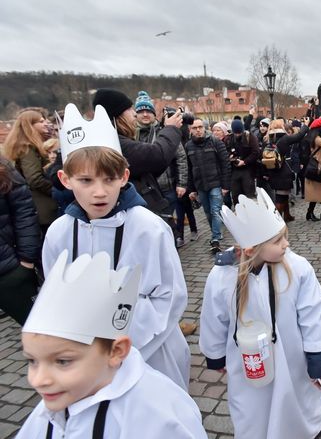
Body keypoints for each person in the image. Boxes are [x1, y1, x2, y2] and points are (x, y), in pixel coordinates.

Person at [42, 103, 191, 391]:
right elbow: (55, 294)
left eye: (109, 179)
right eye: (85, 180)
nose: (99, 191)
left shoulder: (149, 228)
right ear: (65, 179)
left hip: (150, 352)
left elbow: (170, 298)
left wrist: (122, 347)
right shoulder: (58, 234)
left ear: (123, 176)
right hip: (87, 358)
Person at [17, 251, 207, 438]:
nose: (38, 380)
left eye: (63, 361)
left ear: (116, 351)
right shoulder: (55, 402)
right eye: (32, 361)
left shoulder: (158, 413)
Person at [200, 188, 321, 439]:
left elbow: (314, 314)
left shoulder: (297, 268)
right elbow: (214, 318)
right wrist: (216, 355)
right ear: (251, 249)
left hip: (292, 363)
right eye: (277, 241)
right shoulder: (222, 278)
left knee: (297, 408)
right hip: (248, 367)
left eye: (284, 237)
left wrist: (319, 359)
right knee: (254, 412)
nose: (287, 244)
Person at [92, 89, 183, 222]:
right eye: (129, 109)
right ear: (117, 114)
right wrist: (170, 129)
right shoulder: (114, 144)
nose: (135, 114)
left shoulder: (114, 140)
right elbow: (158, 156)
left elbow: (150, 168)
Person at [134, 91, 190, 248]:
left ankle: (168, 250)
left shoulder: (164, 130)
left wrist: (182, 183)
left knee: (164, 222)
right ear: (136, 114)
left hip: (166, 187)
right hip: (142, 188)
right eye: (141, 111)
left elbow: (181, 157)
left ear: (153, 113)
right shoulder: (130, 134)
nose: (145, 114)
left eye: (148, 111)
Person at [0, 155, 41, 326]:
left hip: (9, 272)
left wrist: (26, 261)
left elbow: (24, 213)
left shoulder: (3, 168)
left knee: (42, 330)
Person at [2, 109, 58, 231]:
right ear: (30, 125)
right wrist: (56, 191)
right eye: (41, 122)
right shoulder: (28, 148)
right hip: (43, 209)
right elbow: (34, 179)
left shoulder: (28, 146)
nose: (45, 124)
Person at [186, 118, 231, 254]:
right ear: (190, 130)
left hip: (216, 183)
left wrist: (225, 185)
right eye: (195, 128)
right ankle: (216, 232)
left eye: (200, 127)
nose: (198, 130)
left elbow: (225, 164)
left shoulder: (215, 142)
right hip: (200, 185)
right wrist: (191, 189)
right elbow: (188, 169)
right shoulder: (188, 146)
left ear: (205, 128)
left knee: (215, 210)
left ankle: (215, 239)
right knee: (207, 212)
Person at [262, 119, 308, 222]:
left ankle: (287, 215)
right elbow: (299, 136)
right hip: (283, 171)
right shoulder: (284, 139)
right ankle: (276, 220)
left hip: (273, 171)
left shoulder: (268, 139)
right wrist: (305, 125)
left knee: (283, 195)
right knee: (280, 198)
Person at [226, 119, 260, 205]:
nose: (237, 135)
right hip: (234, 171)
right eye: (236, 133)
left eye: (239, 133)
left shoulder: (250, 137)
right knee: (236, 196)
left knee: (249, 196)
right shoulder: (229, 138)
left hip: (248, 170)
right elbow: (225, 151)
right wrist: (230, 157)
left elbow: (256, 152)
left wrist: (244, 161)